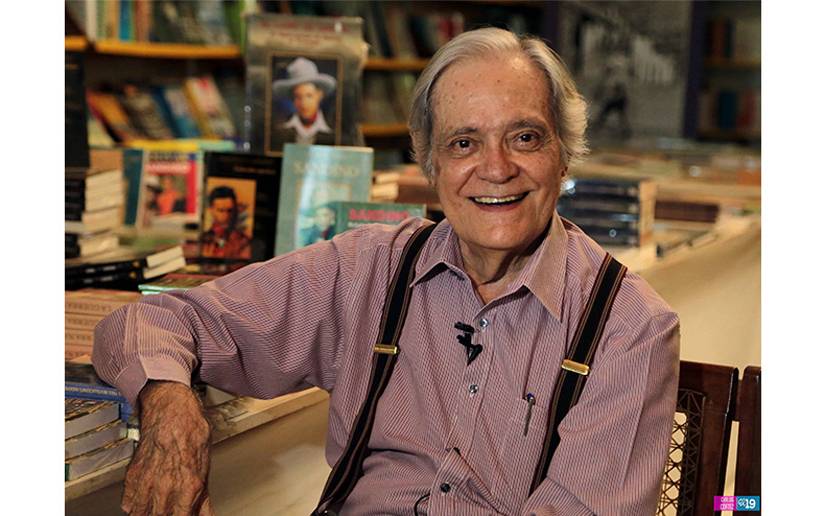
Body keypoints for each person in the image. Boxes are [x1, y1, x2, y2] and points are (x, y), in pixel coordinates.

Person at [94, 27, 679, 515]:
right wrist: (168, 407)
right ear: (429, 162)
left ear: (564, 154)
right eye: (463, 143)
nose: (496, 168)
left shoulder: (630, 326)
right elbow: (154, 320)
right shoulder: (367, 269)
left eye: (524, 138)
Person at [271, 57, 337, 146]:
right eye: (298, 97)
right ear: (292, 99)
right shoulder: (280, 131)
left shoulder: (333, 131)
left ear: (319, 95)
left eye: (309, 96)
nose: (303, 103)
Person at [199, 186, 251, 260]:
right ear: (211, 210)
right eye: (221, 210)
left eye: (230, 210)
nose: (226, 216)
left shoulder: (243, 242)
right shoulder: (202, 239)